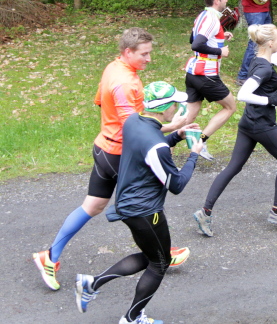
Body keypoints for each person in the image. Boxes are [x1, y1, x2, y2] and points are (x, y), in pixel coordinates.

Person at [32, 28, 189, 292]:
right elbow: (135, 128)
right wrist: (172, 127)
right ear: (128, 51)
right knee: (146, 201)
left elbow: (100, 102)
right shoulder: (127, 83)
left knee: (92, 206)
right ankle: (161, 252)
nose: (149, 59)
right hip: (119, 153)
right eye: (144, 54)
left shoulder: (113, 68)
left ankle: (50, 256)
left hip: (103, 147)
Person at [74, 81, 202, 324]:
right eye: (174, 104)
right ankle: (132, 318)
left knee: (153, 255)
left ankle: (91, 283)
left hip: (128, 204)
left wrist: (176, 135)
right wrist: (194, 155)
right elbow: (176, 185)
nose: (176, 108)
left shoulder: (133, 121)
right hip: (145, 212)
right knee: (160, 263)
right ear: (164, 108)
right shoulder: (157, 146)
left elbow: (148, 145)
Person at [193, 24, 277, 236]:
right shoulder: (264, 67)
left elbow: (263, 83)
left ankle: (205, 212)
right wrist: (269, 100)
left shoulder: (258, 60)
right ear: (271, 43)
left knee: (233, 167)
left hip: (248, 123)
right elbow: (243, 94)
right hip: (262, 124)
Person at [184, 0, 236, 161]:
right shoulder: (213, 19)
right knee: (230, 107)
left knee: (187, 117)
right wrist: (220, 50)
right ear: (217, 0)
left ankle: (164, 147)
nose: (227, 0)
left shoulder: (203, 15)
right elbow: (196, 44)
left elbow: (193, 37)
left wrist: (220, 36)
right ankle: (201, 141)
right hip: (206, 74)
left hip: (193, 73)